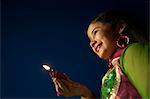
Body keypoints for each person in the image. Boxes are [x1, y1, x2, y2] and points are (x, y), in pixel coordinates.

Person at [49, 10, 149, 99]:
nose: (92, 43)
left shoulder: (133, 52)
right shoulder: (110, 76)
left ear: (120, 27)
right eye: (90, 41)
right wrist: (84, 92)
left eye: (95, 32)